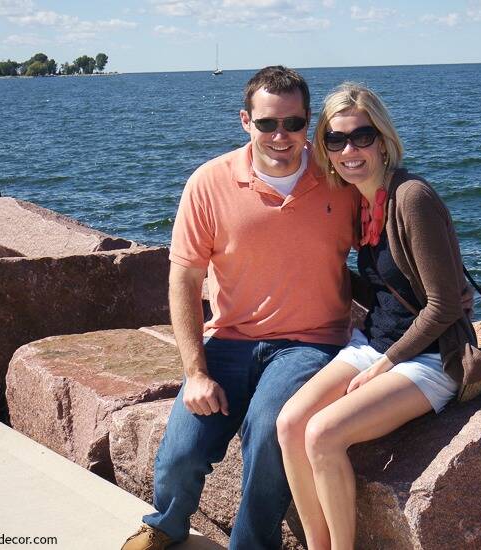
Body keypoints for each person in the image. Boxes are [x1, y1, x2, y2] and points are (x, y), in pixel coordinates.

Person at [122, 66, 358, 550]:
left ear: (308, 123)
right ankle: (164, 526)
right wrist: (196, 371)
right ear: (245, 121)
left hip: (310, 345)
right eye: (267, 123)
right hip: (228, 340)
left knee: (269, 430)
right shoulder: (209, 183)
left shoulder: (340, 178)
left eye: (293, 124)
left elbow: (387, 246)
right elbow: (184, 280)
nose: (280, 136)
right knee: (182, 450)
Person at [276, 83, 471, 549]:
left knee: (323, 434)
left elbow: (443, 305)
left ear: (382, 139)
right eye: (335, 140)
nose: (350, 150)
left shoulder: (411, 198)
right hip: (373, 343)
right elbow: (384, 287)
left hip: (428, 358)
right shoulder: (363, 203)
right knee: (289, 425)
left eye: (361, 136)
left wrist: (385, 364)